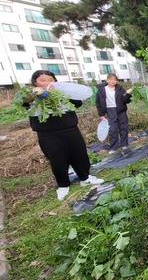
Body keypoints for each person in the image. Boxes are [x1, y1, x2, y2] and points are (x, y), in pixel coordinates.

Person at [23, 70, 103, 201]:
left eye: (50, 79)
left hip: (70, 129)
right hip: (48, 134)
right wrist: (35, 94)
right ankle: (63, 185)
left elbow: (77, 103)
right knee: (57, 159)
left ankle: (85, 178)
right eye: (43, 80)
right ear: (35, 82)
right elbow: (24, 102)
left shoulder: (62, 91)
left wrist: (59, 93)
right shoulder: (28, 94)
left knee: (80, 154)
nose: (47, 83)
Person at [95, 73, 132, 154]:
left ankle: (124, 145)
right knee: (113, 129)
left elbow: (126, 101)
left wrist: (128, 95)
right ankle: (113, 147)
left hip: (120, 110)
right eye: (111, 79)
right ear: (107, 80)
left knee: (123, 127)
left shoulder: (120, 89)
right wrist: (101, 114)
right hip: (109, 110)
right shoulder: (102, 90)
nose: (113, 81)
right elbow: (98, 102)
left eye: (115, 80)